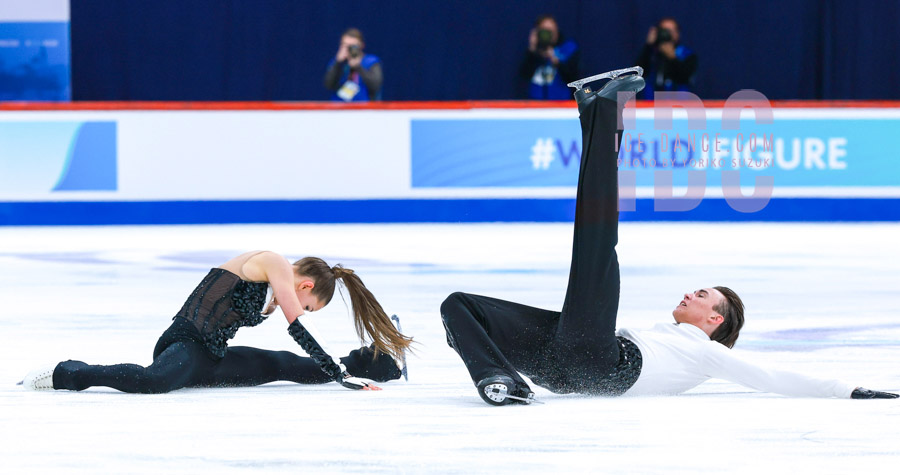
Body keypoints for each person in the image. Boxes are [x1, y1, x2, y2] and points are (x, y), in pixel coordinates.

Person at [440, 68, 898, 405]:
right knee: (459, 305)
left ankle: (601, 109)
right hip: (564, 364)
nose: (690, 294)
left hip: (601, 362)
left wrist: (847, 390)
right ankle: (500, 380)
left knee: (596, 242)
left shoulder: (705, 354)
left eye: (702, 295)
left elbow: (769, 375)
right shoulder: (671, 339)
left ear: (714, 321)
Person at [21, 252, 412, 393]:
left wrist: (338, 371)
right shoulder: (275, 262)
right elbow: (297, 327)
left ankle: (369, 361)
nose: (301, 309)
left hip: (211, 356)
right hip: (183, 344)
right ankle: (68, 374)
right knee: (152, 381)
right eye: (309, 304)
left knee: (283, 365)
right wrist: (333, 371)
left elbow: (292, 331)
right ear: (305, 285)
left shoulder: (274, 292)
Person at [518, 15, 579, 100]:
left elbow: (575, 78)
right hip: (535, 105)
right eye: (545, 31)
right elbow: (523, 77)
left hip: (562, 105)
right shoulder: (533, 54)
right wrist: (532, 50)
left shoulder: (568, 49)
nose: (549, 34)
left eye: (552, 30)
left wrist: (556, 60)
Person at [635, 17, 697, 100]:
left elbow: (685, 77)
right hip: (650, 105)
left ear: (678, 33)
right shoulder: (651, 54)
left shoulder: (686, 55)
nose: (667, 34)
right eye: (664, 30)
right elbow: (637, 74)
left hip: (678, 105)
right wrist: (648, 46)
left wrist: (671, 56)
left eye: (671, 31)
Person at [323, 28, 383, 102]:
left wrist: (358, 67)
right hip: (339, 108)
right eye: (345, 45)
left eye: (353, 46)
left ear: (362, 46)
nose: (349, 49)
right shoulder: (337, 63)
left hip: (365, 109)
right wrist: (338, 63)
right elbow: (328, 84)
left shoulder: (371, 62)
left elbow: (375, 86)